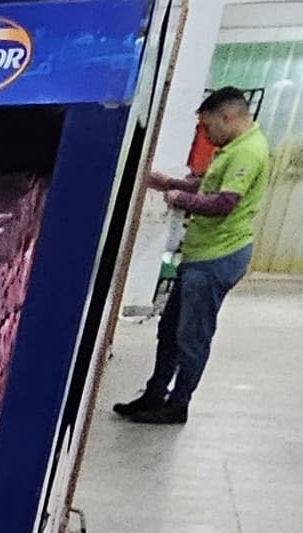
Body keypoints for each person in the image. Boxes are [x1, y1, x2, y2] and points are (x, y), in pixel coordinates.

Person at [115, 86, 273, 423]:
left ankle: (178, 404)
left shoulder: (248, 152)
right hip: (201, 254)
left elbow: (224, 202)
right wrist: (170, 183)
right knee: (171, 328)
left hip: (218, 256)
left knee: (192, 335)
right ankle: (155, 394)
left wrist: (178, 199)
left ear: (226, 117)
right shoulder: (233, 147)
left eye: (207, 126)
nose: (205, 134)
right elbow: (210, 185)